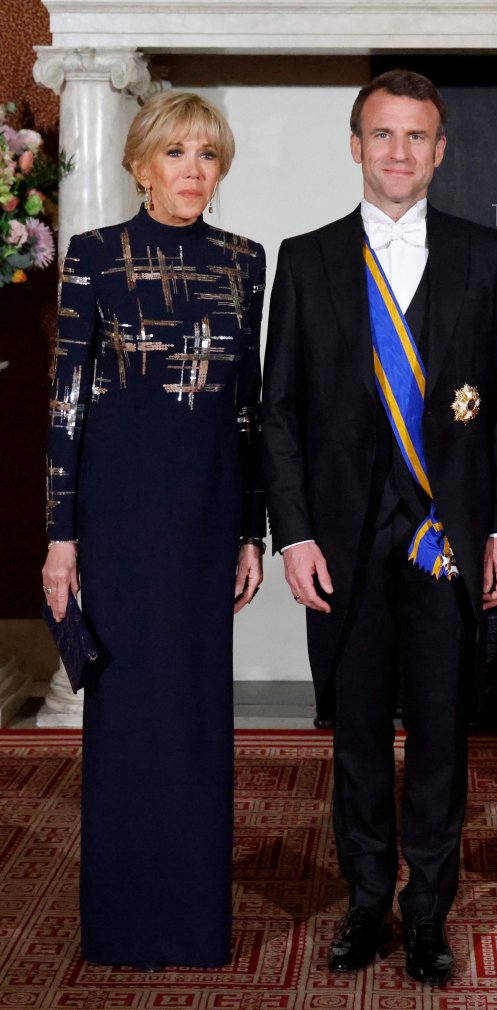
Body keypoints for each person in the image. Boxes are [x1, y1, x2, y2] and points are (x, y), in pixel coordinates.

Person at [260, 69, 497, 987]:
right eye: (383, 135)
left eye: (417, 137)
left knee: (444, 733)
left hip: (447, 539)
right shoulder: (306, 259)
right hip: (341, 543)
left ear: (441, 149)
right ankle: (368, 898)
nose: (400, 153)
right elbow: (282, 413)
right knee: (359, 732)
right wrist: (292, 535)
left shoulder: (484, 256)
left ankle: (429, 912)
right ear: (355, 145)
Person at [40, 91, 265, 970]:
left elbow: (245, 410)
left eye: (208, 154)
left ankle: (193, 922)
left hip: (208, 512)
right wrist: (62, 538)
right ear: (140, 165)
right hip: (120, 515)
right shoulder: (94, 258)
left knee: (199, 715)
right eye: (176, 154)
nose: (193, 172)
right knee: (129, 714)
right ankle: (126, 922)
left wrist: (253, 529)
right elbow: (64, 407)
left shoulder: (245, 261)